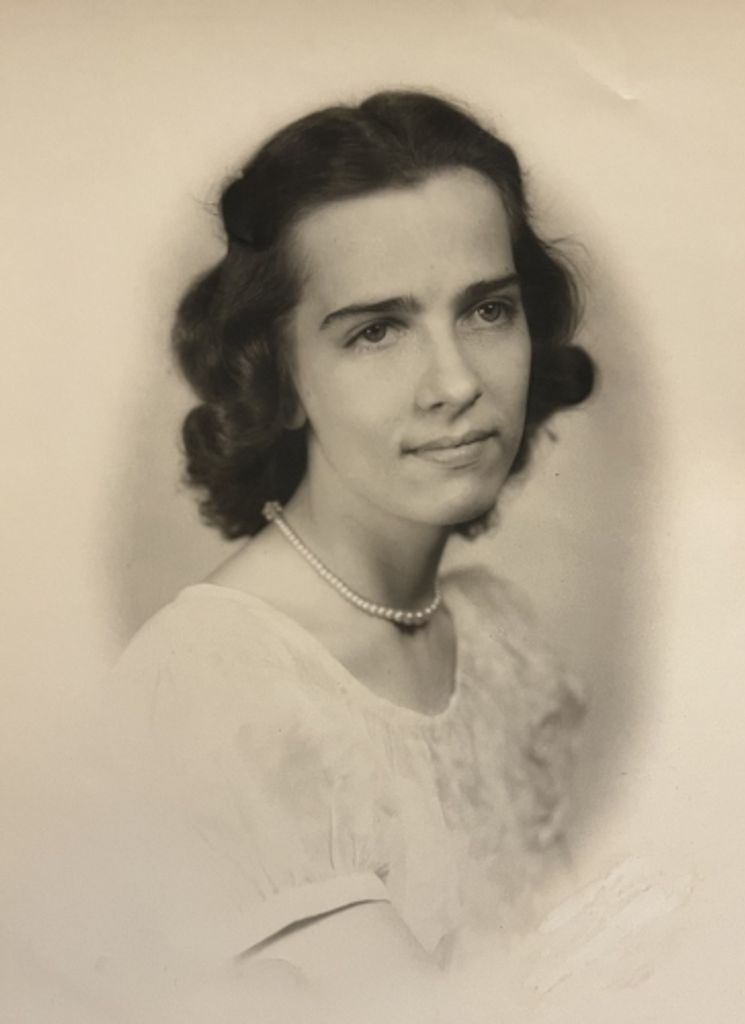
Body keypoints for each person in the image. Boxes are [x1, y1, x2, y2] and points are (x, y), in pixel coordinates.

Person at [71, 89, 595, 1021]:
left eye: (486, 310)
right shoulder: (216, 694)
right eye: (375, 330)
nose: (455, 383)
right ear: (278, 376)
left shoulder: (501, 638)